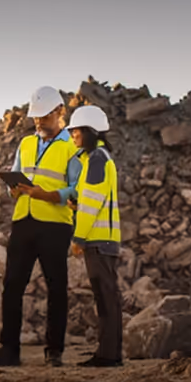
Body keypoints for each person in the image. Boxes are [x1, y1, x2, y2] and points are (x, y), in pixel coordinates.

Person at [0, 86, 80, 367]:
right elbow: (14, 183)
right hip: (23, 222)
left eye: (44, 116)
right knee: (13, 285)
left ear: (60, 112)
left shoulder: (72, 147)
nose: (38, 122)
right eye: (35, 117)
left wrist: (51, 195)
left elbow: (77, 190)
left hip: (55, 225)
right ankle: (9, 351)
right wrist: (13, 191)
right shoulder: (26, 144)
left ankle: (55, 352)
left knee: (56, 288)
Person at [67, 105, 123, 367]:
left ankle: (109, 355)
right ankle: (107, 353)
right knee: (104, 297)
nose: (73, 135)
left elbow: (93, 203)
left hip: (100, 241)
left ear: (90, 131)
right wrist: (76, 204)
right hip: (100, 240)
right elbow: (89, 200)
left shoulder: (98, 158)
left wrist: (78, 238)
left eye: (76, 130)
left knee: (106, 297)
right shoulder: (95, 158)